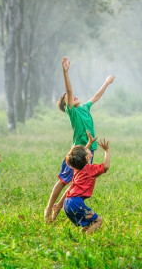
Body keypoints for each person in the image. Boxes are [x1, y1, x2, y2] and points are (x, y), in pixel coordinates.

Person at [44, 56, 115, 223]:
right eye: (69, 98)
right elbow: (69, 90)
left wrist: (106, 82)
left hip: (89, 151)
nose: (73, 96)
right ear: (66, 105)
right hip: (77, 152)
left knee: (78, 181)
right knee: (63, 180)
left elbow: (96, 96)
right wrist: (65, 72)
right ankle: (49, 208)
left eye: (73, 96)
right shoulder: (73, 112)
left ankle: (58, 209)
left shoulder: (84, 108)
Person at [63, 133, 110, 234]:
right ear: (86, 157)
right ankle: (87, 240)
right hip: (76, 203)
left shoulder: (77, 168)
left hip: (67, 203)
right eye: (86, 149)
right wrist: (107, 151)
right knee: (98, 221)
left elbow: (79, 156)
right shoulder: (90, 169)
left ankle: (81, 237)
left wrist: (89, 143)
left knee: (89, 223)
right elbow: (106, 166)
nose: (87, 148)